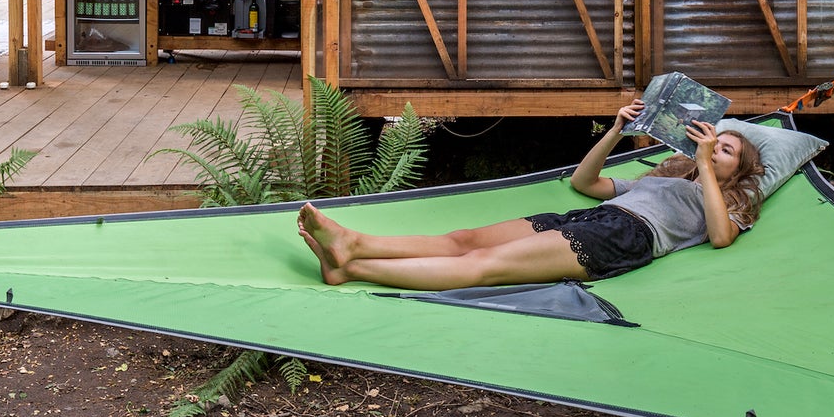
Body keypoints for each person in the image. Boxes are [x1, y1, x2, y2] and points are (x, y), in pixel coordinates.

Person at [299, 103, 765, 290]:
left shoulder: (726, 201)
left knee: (484, 267)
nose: (714, 148)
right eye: (715, 141)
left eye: (725, 149)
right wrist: (619, 129)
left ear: (737, 169)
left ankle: (353, 268)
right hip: (594, 217)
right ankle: (354, 243)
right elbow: (585, 184)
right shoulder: (668, 177)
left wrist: (704, 163)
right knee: (465, 240)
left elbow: (721, 237)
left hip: (626, 237)